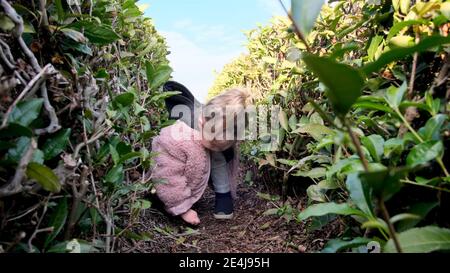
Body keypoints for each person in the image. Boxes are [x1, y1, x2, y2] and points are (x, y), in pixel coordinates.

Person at [150, 86, 250, 225]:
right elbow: (167, 175)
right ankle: (178, 203)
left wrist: (223, 195)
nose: (216, 148)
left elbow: (218, 161)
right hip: (167, 192)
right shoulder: (177, 139)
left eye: (221, 145)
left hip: (188, 184)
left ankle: (223, 194)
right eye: (213, 144)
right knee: (172, 169)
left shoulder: (216, 134)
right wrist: (183, 209)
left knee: (218, 157)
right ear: (201, 122)